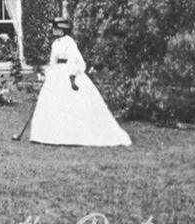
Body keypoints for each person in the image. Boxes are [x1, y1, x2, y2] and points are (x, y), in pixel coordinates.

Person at [29, 17, 131, 146]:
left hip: (68, 72)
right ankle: (49, 135)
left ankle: (73, 135)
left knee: (72, 103)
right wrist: (50, 73)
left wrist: (72, 77)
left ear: (62, 30)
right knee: (52, 103)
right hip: (57, 74)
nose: (54, 30)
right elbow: (53, 60)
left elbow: (74, 60)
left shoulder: (69, 42)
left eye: (57, 28)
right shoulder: (55, 43)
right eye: (54, 28)